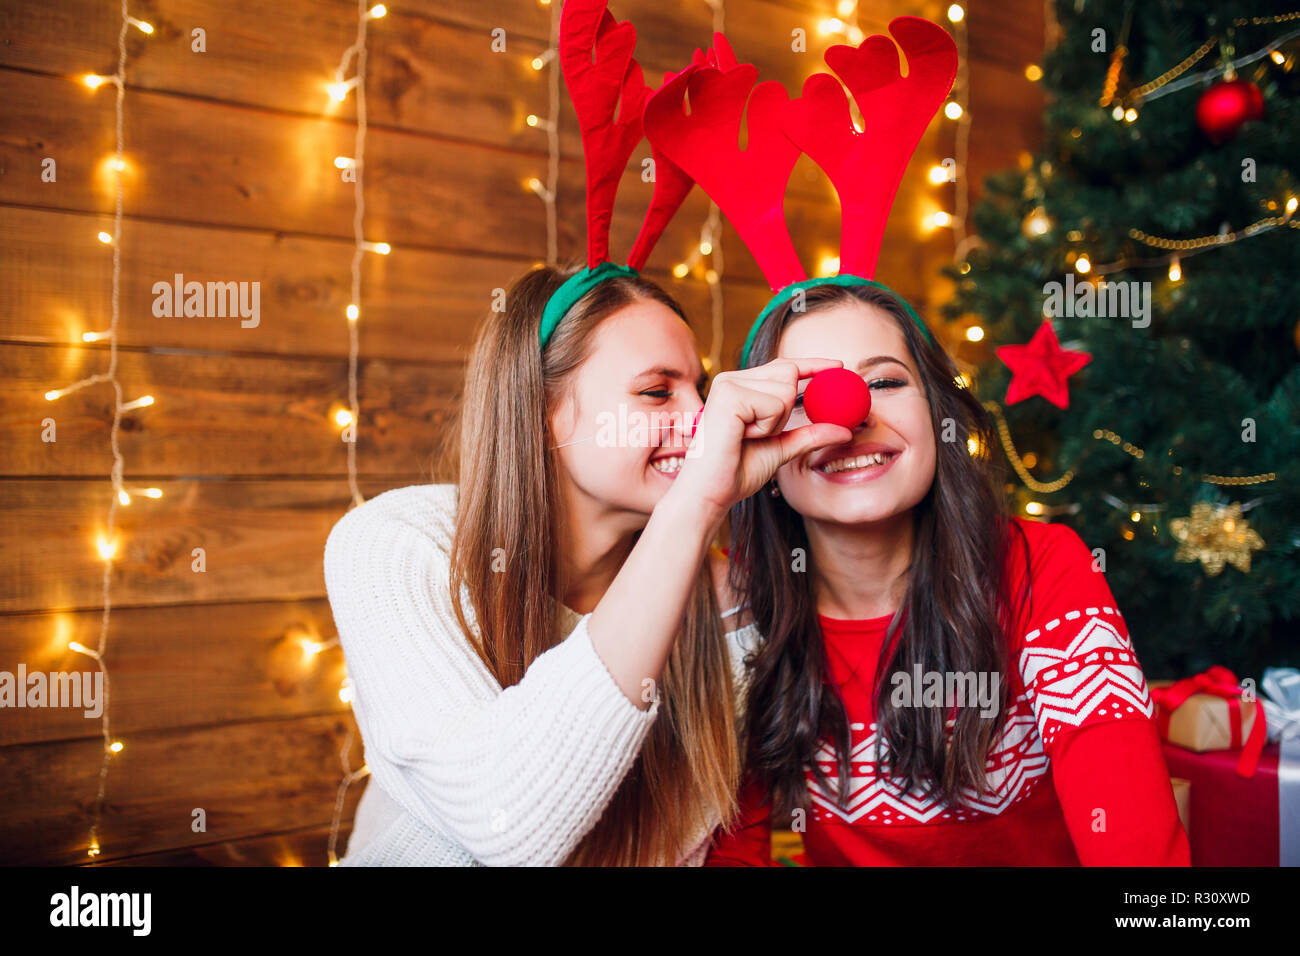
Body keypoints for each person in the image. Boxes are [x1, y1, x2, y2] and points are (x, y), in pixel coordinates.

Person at [323, 262, 852, 865]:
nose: (703, 420)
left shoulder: (730, 601)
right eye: (657, 391)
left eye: (700, 390)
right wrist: (696, 505)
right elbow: (506, 822)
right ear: (543, 408)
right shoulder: (398, 544)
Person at [704, 282, 1191, 865]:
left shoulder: (1041, 567)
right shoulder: (745, 606)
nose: (850, 416)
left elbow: (1136, 848)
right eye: (807, 399)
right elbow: (737, 845)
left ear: (937, 413)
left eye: (884, 382)